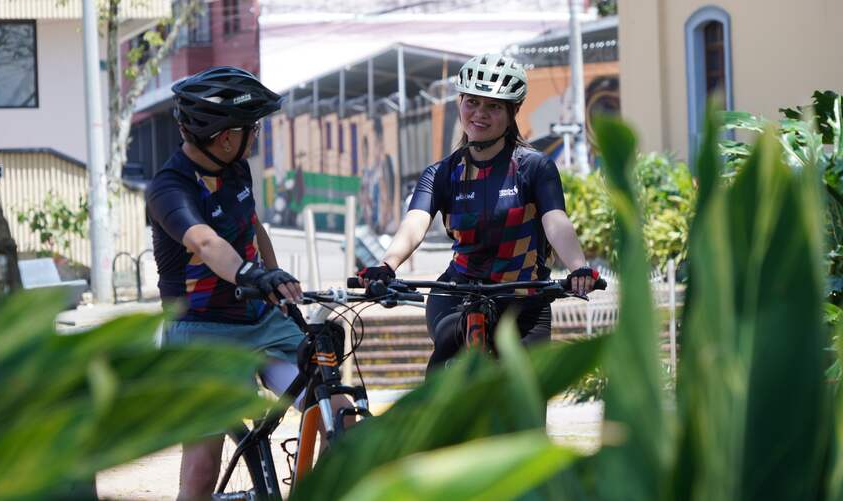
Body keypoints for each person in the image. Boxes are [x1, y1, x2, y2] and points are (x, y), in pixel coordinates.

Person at [146, 67, 342, 499]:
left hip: (262, 320)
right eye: (251, 129)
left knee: (335, 412)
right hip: (200, 331)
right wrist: (251, 274)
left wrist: (280, 287)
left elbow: (253, 228)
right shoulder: (169, 187)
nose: (255, 136)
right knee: (201, 467)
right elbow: (205, 240)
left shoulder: (236, 170)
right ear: (225, 136)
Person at [358, 53, 598, 374]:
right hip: (459, 293)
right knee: (444, 366)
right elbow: (414, 224)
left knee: (529, 396)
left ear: (513, 112)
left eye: (494, 106)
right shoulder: (442, 173)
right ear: (459, 103)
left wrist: (579, 268)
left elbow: (555, 222)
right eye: (472, 102)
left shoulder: (533, 168)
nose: (480, 114)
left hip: (524, 298)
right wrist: (386, 265)